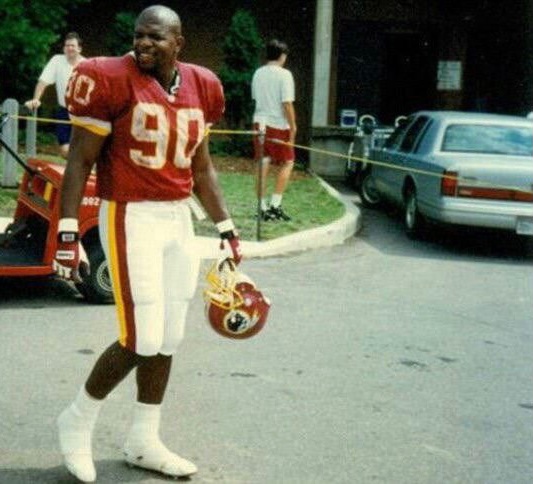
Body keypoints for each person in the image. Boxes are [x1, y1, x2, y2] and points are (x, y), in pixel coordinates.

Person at [52, 5, 241, 482]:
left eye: (155, 37)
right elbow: (79, 163)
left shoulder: (203, 85)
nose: (143, 44)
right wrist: (68, 233)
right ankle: (77, 419)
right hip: (129, 213)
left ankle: (144, 438)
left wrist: (225, 227)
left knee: (169, 337)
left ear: (179, 40)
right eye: (139, 36)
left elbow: (201, 169)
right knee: (141, 336)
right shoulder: (108, 78)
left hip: (178, 218)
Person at [252, 39, 297, 221]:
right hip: (277, 124)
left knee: (263, 162)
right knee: (288, 162)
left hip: (259, 121)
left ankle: (262, 207)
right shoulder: (285, 74)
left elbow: (256, 99)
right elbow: (286, 103)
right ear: (283, 55)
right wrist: (293, 126)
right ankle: (275, 205)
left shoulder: (258, 73)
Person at [24, 32, 85, 158]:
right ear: (64, 48)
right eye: (67, 45)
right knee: (64, 150)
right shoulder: (57, 60)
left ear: (79, 48)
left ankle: (77, 173)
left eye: (73, 45)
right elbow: (43, 82)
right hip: (64, 110)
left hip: (83, 112)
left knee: (82, 149)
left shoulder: (87, 64)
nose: (69, 48)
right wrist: (36, 99)